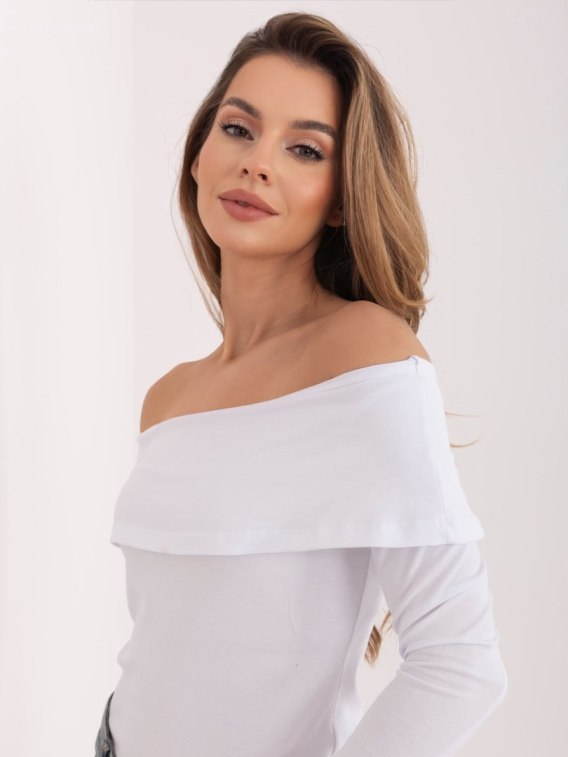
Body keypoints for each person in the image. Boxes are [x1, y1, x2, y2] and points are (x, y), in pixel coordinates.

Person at [95, 11, 508, 757]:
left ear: (342, 197)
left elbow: (462, 664)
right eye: (238, 129)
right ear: (199, 155)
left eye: (304, 149)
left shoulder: (369, 355)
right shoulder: (169, 398)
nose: (257, 164)